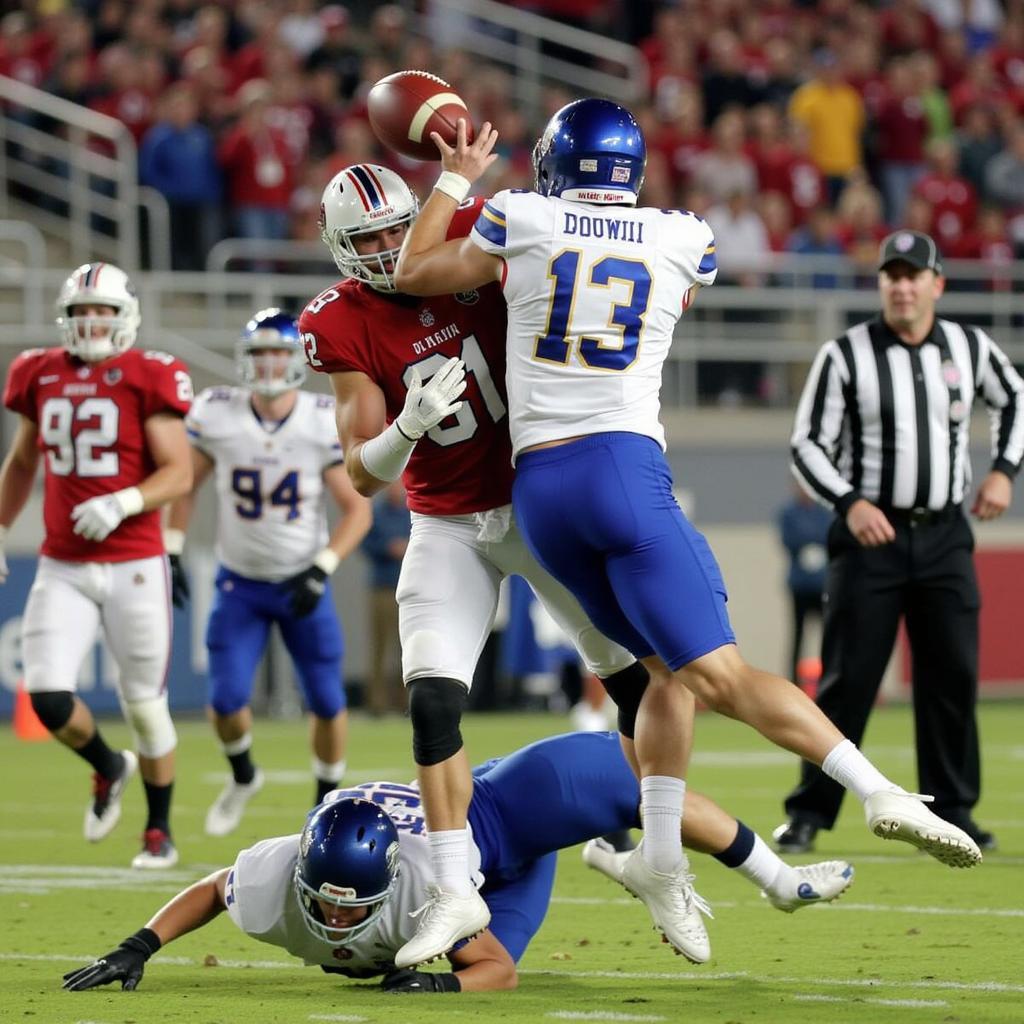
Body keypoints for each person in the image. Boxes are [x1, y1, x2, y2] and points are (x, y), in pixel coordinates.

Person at [392, 100, 984, 960]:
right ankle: (876, 787)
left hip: (542, 492)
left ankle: (660, 861)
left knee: (661, 675)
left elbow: (416, 271)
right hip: (624, 472)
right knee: (724, 676)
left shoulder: (520, 214)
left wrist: (456, 178)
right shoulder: (681, 235)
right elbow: (667, 291)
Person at [299, 163, 686, 968]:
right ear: (339, 248)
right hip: (445, 523)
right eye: (363, 239)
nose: (380, 249)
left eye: (390, 231)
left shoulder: (480, 236)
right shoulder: (340, 321)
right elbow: (362, 473)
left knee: (637, 688)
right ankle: (451, 889)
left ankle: (662, 855)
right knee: (432, 701)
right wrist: (405, 426)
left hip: (539, 502)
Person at [60, 730, 855, 994]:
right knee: (501, 957)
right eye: (325, 903)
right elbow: (215, 887)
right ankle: (610, 858)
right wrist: (141, 943)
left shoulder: (411, 896)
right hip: (510, 873)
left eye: (348, 904)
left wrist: (439, 977)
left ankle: (773, 879)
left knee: (632, 772)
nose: (335, 918)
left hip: (492, 820)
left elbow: (478, 968)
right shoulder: (277, 879)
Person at [774, 229, 1024, 856]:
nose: (903, 285)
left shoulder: (969, 347)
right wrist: (851, 503)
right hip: (870, 537)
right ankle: (810, 813)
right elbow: (807, 444)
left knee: (952, 676)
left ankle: (955, 812)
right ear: (880, 283)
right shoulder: (845, 354)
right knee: (846, 681)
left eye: (915, 275)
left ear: (937, 284)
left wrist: (1004, 470)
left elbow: (1016, 396)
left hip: (943, 533)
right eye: (893, 274)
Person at [0, 262, 193, 868]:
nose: (91, 323)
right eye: (82, 312)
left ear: (124, 316)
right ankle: (109, 765)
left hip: (135, 562)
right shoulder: (38, 372)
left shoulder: (148, 374)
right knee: (50, 697)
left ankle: (158, 829)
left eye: (102, 312)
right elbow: (23, 462)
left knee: (144, 703)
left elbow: (179, 472)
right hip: (63, 564)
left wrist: (124, 500)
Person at [166, 308, 371, 835]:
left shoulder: (319, 418)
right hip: (240, 583)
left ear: (296, 358)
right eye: (259, 353)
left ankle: (325, 800)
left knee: (326, 699)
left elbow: (358, 509)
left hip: (301, 580)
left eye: (279, 352)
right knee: (226, 699)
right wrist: (171, 547)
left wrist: (321, 568)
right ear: (244, 358)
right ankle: (242, 775)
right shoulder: (219, 412)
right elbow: (184, 484)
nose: (269, 363)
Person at [359, 480, 411, 716]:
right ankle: (376, 703)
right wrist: (387, 548)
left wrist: (407, 547)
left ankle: (406, 702)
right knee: (379, 646)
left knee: (408, 649)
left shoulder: (413, 511)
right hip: (382, 586)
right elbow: (365, 544)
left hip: (409, 587)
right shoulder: (376, 513)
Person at [777, 485, 831, 687]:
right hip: (800, 586)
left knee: (828, 635)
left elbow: (829, 536)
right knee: (798, 635)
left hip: (822, 586)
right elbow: (789, 540)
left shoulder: (824, 513)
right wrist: (808, 542)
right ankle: (795, 682)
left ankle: (828, 678)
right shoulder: (788, 513)